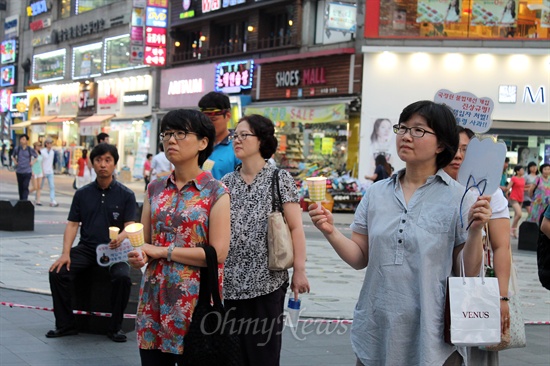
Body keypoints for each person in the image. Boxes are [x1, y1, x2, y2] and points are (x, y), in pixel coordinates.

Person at [309, 100, 492, 365]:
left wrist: (476, 232)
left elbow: (468, 271)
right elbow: (360, 257)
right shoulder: (375, 193)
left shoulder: (460, 198)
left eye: (418, 130)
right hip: (377, 330)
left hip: (433, 336)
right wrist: (329, 231)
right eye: (402, 128)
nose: (406, 136)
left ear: (441, 144)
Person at [127, 109, 230, 365]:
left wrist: (163, 251)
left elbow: (218, 253)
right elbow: (145, 243)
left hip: (194, 304)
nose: (171, 140)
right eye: (167, 134)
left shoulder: (216, 192)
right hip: (153, 300)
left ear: (203, 142)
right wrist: (138, 256)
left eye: (181, 133)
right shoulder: (155, 188)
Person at [221, 114, 310, 366]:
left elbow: (295, 228)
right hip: (231, 284)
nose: (236, 140)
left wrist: (299, 271)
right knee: (233, 356)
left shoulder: (279, 179)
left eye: (243, 135)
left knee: (263, 355)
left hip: (268, 284)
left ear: (261, 140)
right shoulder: (226, 183)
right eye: (234, 135)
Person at [47, 144, 137, 343]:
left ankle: (115, 328)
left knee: (122, 278)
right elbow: (72, 225)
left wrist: (121, 238)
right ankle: (66, 324)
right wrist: (65, 253)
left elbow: (130, 225)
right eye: (98, 160)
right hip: (87, 248)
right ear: (92, 163)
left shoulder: (126, 195)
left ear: (114, 164)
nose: (102, 165)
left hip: (115, 251)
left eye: (107, 160)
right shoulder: (82, 194)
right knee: (57, 272)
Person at [443, 126, 511, 365]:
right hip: (437, 291)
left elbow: (502, 247)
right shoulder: (431, 186)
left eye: (465, 149)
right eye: (454, 148)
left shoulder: (490, 193)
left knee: (476, 356)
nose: (459, 155)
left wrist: (502, 299)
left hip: (478, 293)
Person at [198, 91, 241, 179]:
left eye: (213, 119)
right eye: (205, 120)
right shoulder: (197, 145)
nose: (208, 124)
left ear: (228, 116)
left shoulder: (238, 146)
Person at [12, 134, 38, 201]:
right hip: (19, 171)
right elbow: (12, 156)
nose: (22, 140)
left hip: (27, 171)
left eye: (23, 139)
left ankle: (24, 201)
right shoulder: (17, 148)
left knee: (25, 186)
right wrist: (15, 161)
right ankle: (21, 200)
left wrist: (32, 162)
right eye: (21, 139)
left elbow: (36, 156)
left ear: (26, 141)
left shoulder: (29, 149)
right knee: (20, 187)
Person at [506, 165, 525, 238]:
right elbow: (508, 187)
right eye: (521, 170)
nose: (523, 171)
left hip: (521, 198)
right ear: (517, 171)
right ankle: (511, 229)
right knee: (519, 214)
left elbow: (523, 188)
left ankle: (514, 232)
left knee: (516, 215)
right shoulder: (514, 178)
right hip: (514, 197)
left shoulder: (523, 179)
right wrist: (507, 193)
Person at [41, 138, 59, 207]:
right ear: (46, 144)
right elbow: (41, 162)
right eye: (49, 143)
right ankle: (37, 198)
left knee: (52, 186)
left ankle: (52, 200)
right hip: (44, 171)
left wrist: (52, 169)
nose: (51, 145)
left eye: (51, 143)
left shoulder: (52, 152)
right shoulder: (42, 152)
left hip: (50, 171)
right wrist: (42, 172)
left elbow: (51, 162)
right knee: (40, 186)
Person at [29, 141, 44, 205]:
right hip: (34, 171)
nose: (39, 147)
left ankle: (38, 200)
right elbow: (31, 163)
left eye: (40, 146)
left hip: (39, 171)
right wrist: (32, 171)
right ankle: (26, 193)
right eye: (38, 146)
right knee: (34, 187)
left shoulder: (40, 154)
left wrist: (42, 171)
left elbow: (41, 163)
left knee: (39, 187)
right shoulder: (32, 154)